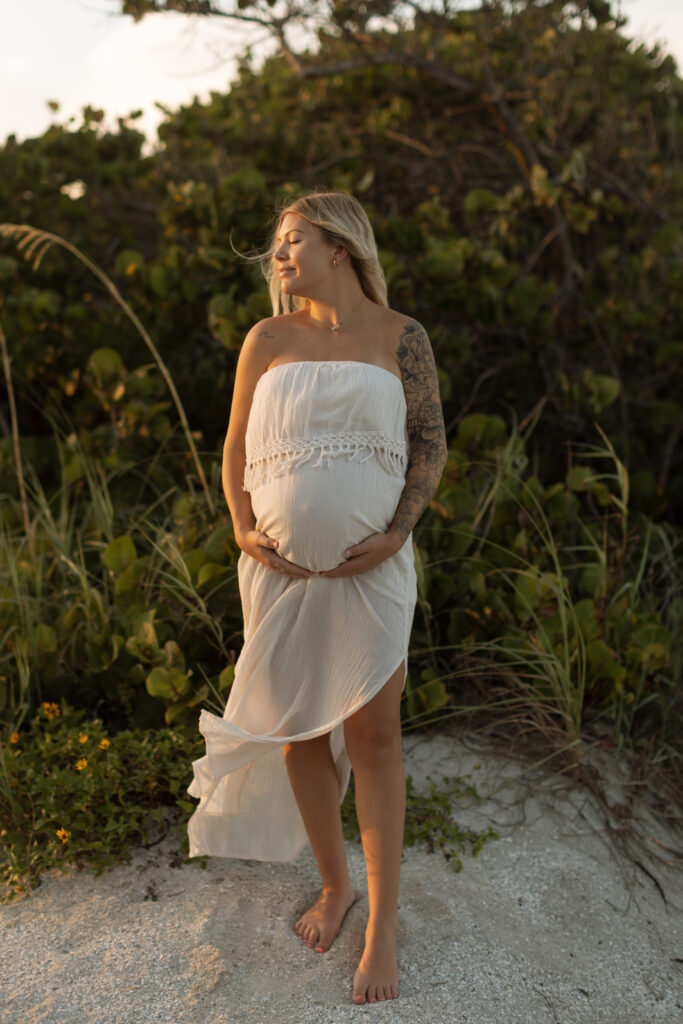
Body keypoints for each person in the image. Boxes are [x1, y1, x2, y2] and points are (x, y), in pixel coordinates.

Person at [187, 190, 448, 1005]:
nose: (278, 254)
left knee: (373, 735)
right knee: (300, 730)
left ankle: (381, 925)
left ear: (340, 246)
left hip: (372, 574)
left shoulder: (401, 337)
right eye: (276, 243)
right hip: (278, 575)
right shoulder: (266, 338)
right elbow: (232, 452)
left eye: (292, 239)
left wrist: (400, 530)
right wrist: (240, 527)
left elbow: (430, 444)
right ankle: (335, 885)